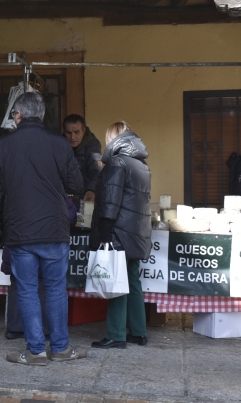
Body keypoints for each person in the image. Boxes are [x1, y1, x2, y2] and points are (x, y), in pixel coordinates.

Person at [0, 92, 85, 366]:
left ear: (17, 115)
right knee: (55, 289)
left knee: (27, 290)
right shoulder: (60, 144)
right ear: (41, 115)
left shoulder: (2, 147)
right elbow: (76, 185)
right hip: (54, 229)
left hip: (19, 232)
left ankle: (36, 351)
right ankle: (61, 348)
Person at [90, 121, 152, 350]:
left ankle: (116, 334)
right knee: (133, 280)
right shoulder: (141, 164)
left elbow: (110, 201)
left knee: (116, 281)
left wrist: (104, 233)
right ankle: (139, 332)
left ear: (112, 139)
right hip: (137, 231)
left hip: (118, 231)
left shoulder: (116, 162)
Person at [2, 197, 78, 340]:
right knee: (47, 287)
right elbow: (70, 216)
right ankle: (44, 330)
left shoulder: (15, 188)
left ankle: (15, 327)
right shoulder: (52, 188)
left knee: (20, 286)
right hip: (47, 240)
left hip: (18, 241)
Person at [63, 114, 103, 203]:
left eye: (77, 132)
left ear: (84, 131)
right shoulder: (60, 144)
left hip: (85, 197)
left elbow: (98, 171)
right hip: (63, 198)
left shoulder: (92, 147)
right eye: (68, 133)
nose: (72, 137)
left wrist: (91, 190)